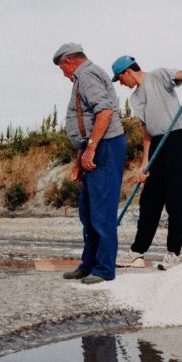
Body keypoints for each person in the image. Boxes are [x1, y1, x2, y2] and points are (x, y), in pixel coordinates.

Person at [110, 55, 182, 270]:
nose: (121, 84)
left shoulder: (159, 75)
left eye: (120, 79)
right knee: (149, 200)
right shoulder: (135, 98)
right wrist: (144, 163)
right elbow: (146, 131)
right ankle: (137, 252)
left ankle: (173, 254)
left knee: (176, 201)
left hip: (177, 140)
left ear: (127, 72)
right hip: (157, 144)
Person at [53, 43, 126, 284]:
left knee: (102, 211)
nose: (63, 74)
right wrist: (79, 161)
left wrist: (92, 148)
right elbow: (87, 125)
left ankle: (104, 269)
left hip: (105, 146)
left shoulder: (87, 75)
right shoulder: (84, 77)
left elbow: (104, 111)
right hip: (95, 147)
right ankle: (89, 264)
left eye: (62, 69)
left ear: (68, 62)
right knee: (87, 209)